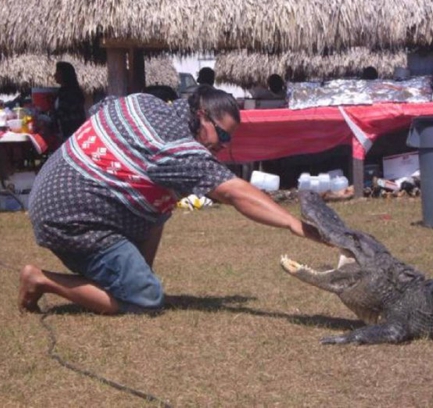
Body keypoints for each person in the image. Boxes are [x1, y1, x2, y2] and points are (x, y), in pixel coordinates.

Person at [19, 85, 318, 315]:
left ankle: (135, 277)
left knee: (160, 202)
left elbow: (102, 106)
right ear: (202, 117)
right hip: (70, 218)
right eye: (223, 137)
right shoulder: (175, 147)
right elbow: (233, 192)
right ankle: (42, 280)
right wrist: (291, 222)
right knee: (146, 300)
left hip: (52, 191)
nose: (223, 148)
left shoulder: (147, 103)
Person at [53, 61, 86, 141]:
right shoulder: (62, 91)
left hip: (73, 133)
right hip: (65, 132)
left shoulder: (71, 93)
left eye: (58, 72)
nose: (55, 75)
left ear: (65, 75)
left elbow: (64, 112)